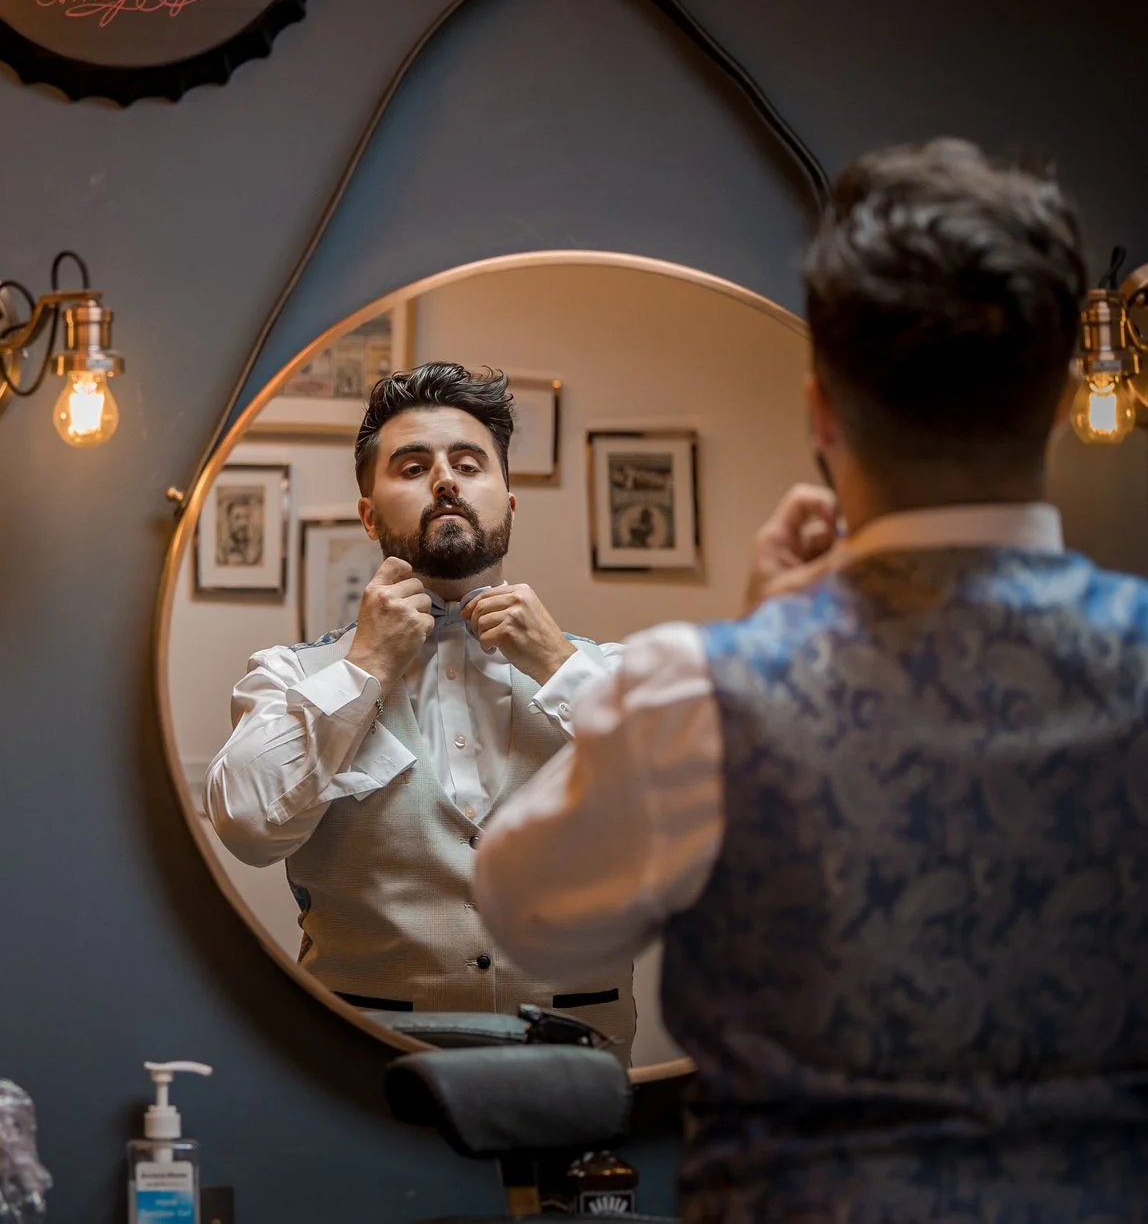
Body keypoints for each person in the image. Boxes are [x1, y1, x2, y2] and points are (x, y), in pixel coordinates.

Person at [474, 139, 1148, 1217]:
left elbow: (528, 916)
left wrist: (755, 640)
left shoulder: (694, 689)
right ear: (1067, 395)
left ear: (819, 413)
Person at [208, 363, 638, 1050]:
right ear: (369, 514)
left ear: (508, 501)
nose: (444, 480)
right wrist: (365, 668)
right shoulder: (292, 678)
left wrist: (560, 668)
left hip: (574, 1076)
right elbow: (247, 825)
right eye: (412, 466)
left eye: (468, 463)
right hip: (359, 1073)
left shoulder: (616, 675)